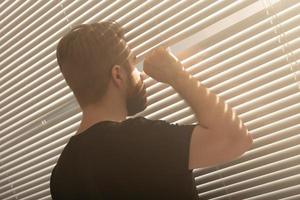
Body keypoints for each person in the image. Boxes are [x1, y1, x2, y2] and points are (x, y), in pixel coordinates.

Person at [50, 20, 253, 200]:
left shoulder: (61, 176)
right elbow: (235, 138)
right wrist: (176, 74)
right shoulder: (139, 139)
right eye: (133, 64)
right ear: (118, 76)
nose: (141, 75)